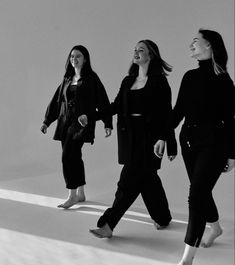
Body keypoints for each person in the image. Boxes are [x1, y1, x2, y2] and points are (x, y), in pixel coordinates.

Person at [155, 29, 235, 265]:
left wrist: (232, 153)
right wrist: (163, 135)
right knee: (199, 191)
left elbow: (231, 120)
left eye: (195, 42)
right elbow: (178, 110)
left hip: (215, 144)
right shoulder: (190, 76)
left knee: (196, 194)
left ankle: (186, 260)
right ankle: (216, 227)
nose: (190, 45)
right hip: (189, 142)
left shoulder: (224, 81)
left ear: (209, 46)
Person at [89, 39, 177, 238]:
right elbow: (116, 106)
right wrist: (93, 115)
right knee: (148, 180)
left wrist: (168, 142)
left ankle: (108, 224)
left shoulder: (160, 82)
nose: (136, 52)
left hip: (151, 139)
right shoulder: (128, 81)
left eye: (141, 50)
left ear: (150, 55)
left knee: (127, 181)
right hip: (130, 138)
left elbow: (166, 114)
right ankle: (163, 217)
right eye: (135, 49)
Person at [41, 45, 112, 208]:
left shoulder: (92, 79)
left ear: (85, 59)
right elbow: (56, 101)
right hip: (64, 122)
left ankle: (71, 194)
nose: (74, 59)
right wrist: (47, 121)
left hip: (81, 123)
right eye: (72, 56)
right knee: (74, 156)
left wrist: (107, 123)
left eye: (78, 56)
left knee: (68, 155)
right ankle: (80, 193)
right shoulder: (67, 78)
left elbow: (103, 100)